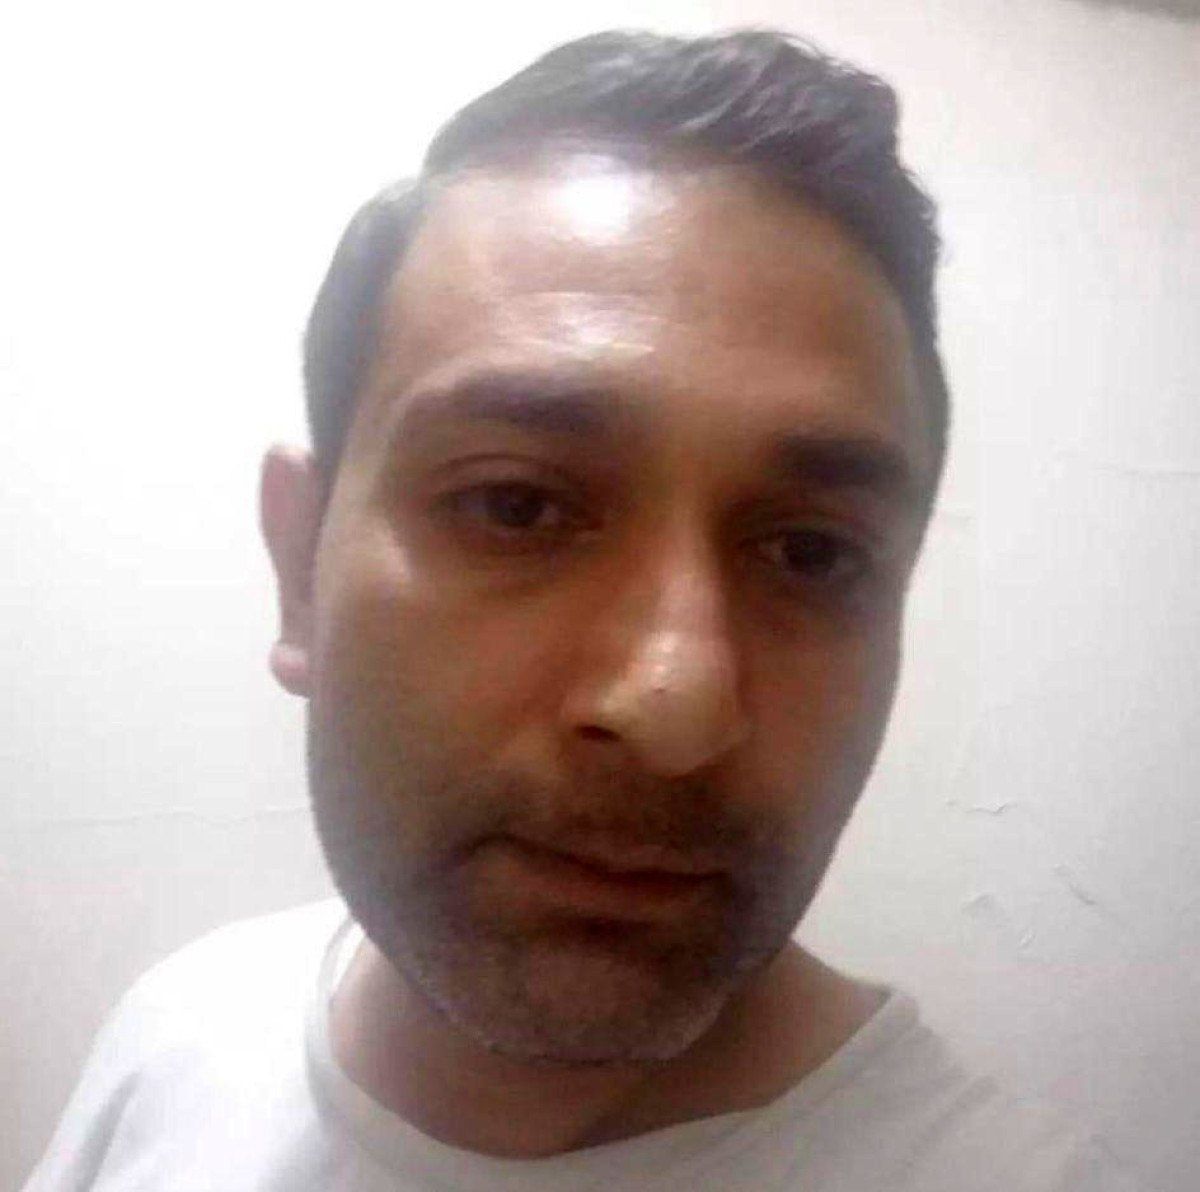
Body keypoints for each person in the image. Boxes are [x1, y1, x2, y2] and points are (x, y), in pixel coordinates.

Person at [24, 28, 1140, 1191]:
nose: (677, 705)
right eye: (515, 506)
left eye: (811, 553)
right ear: (300, 565)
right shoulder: (179, 1039)